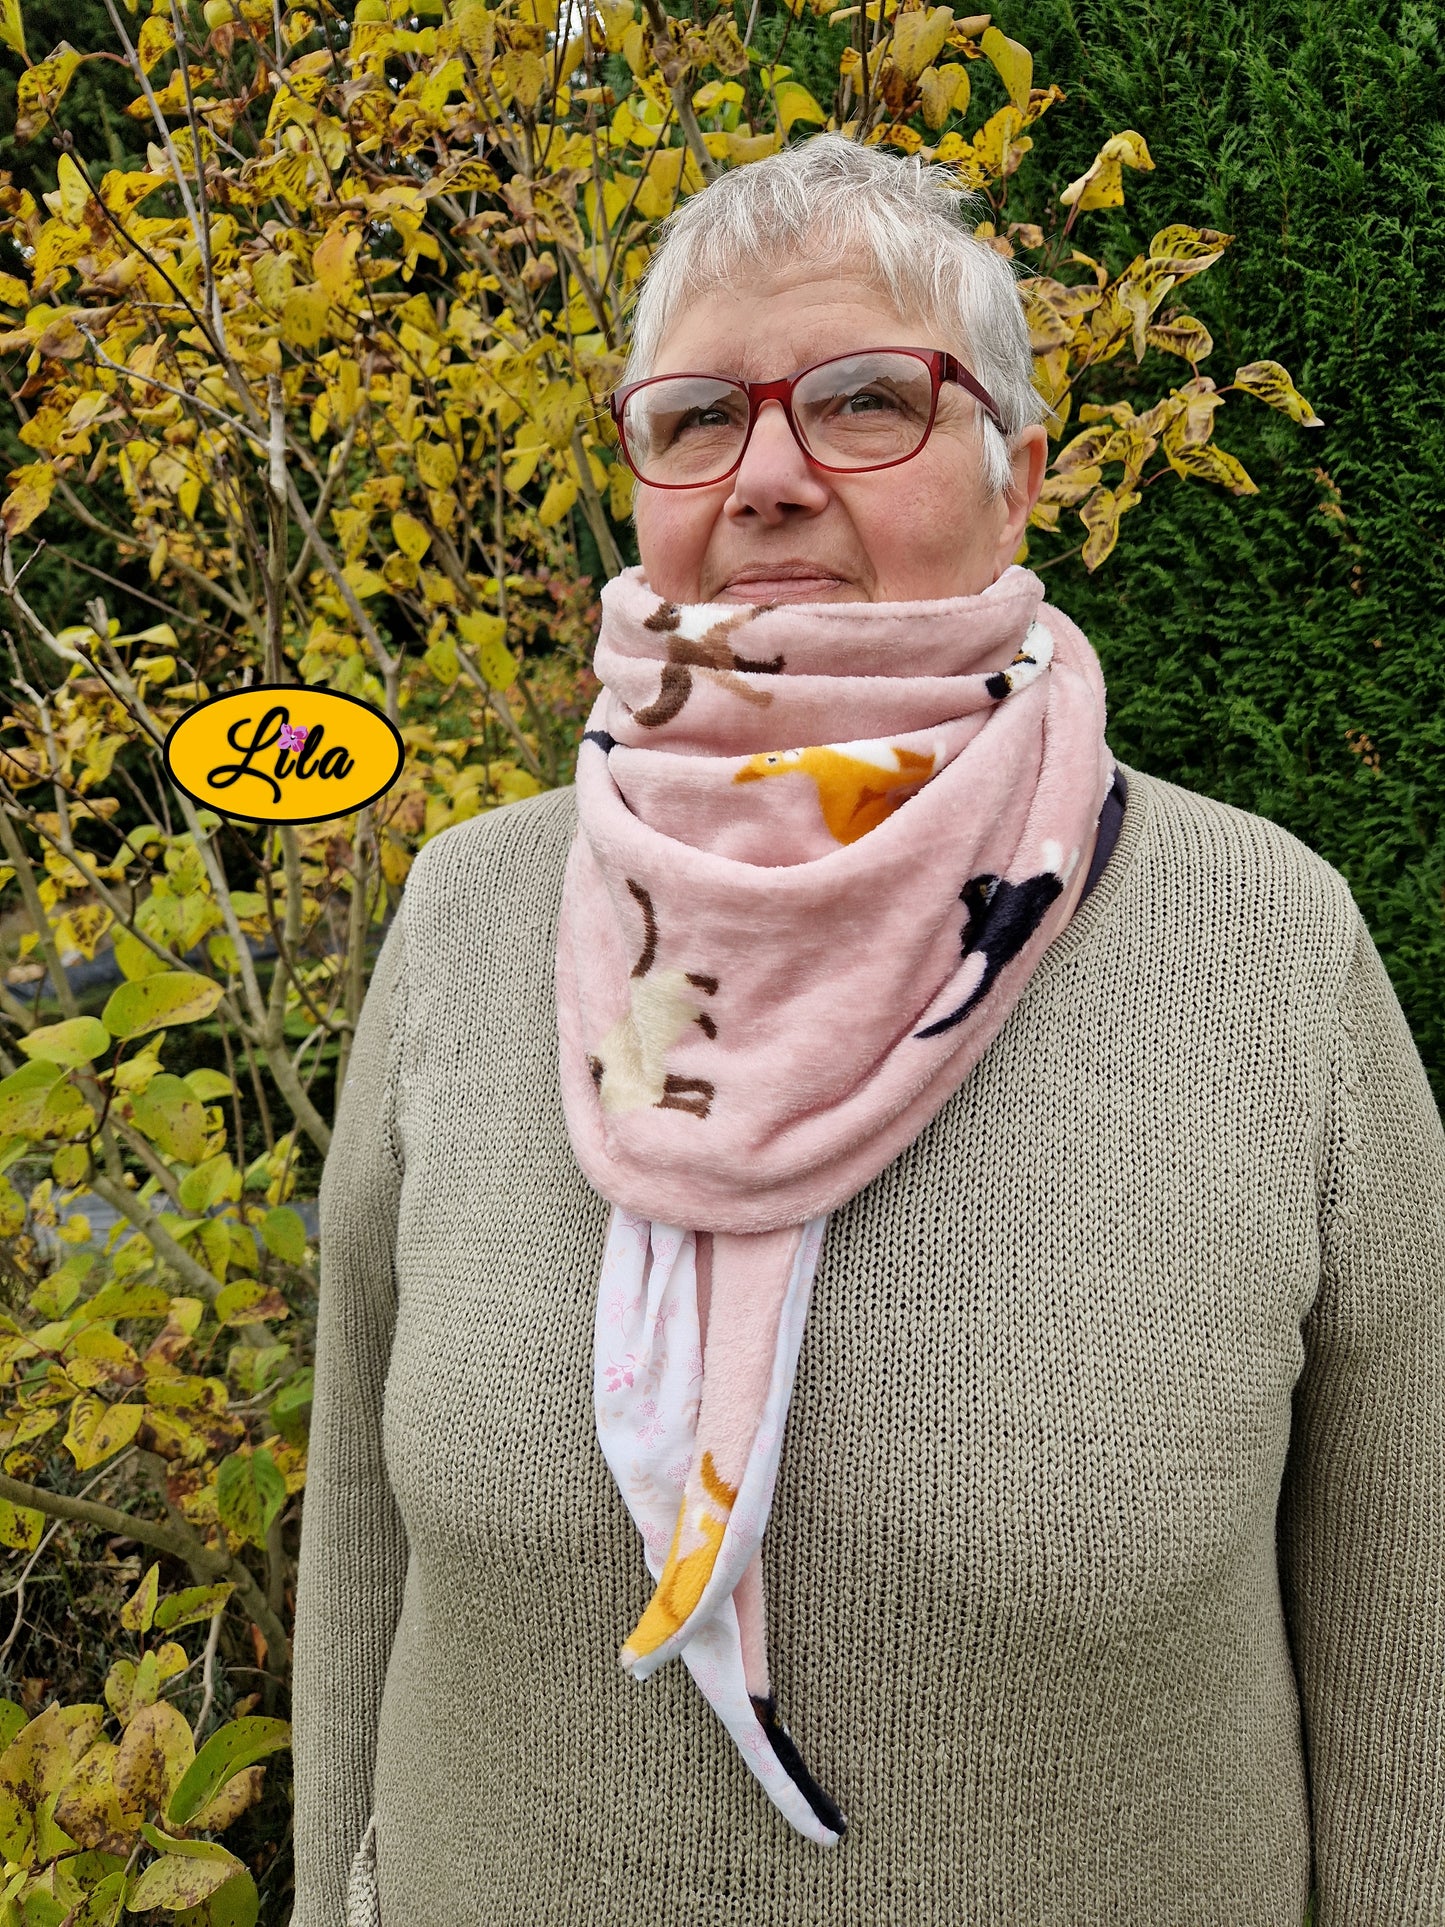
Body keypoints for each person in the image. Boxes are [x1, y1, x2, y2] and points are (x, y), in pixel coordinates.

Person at [291, 135, 1444, 1925]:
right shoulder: (473, 916)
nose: (764, 477)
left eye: (863, 401)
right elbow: (362, 1539)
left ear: (1020, 472)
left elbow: (1408, 1625)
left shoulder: (1261, 943)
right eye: (693, 419)